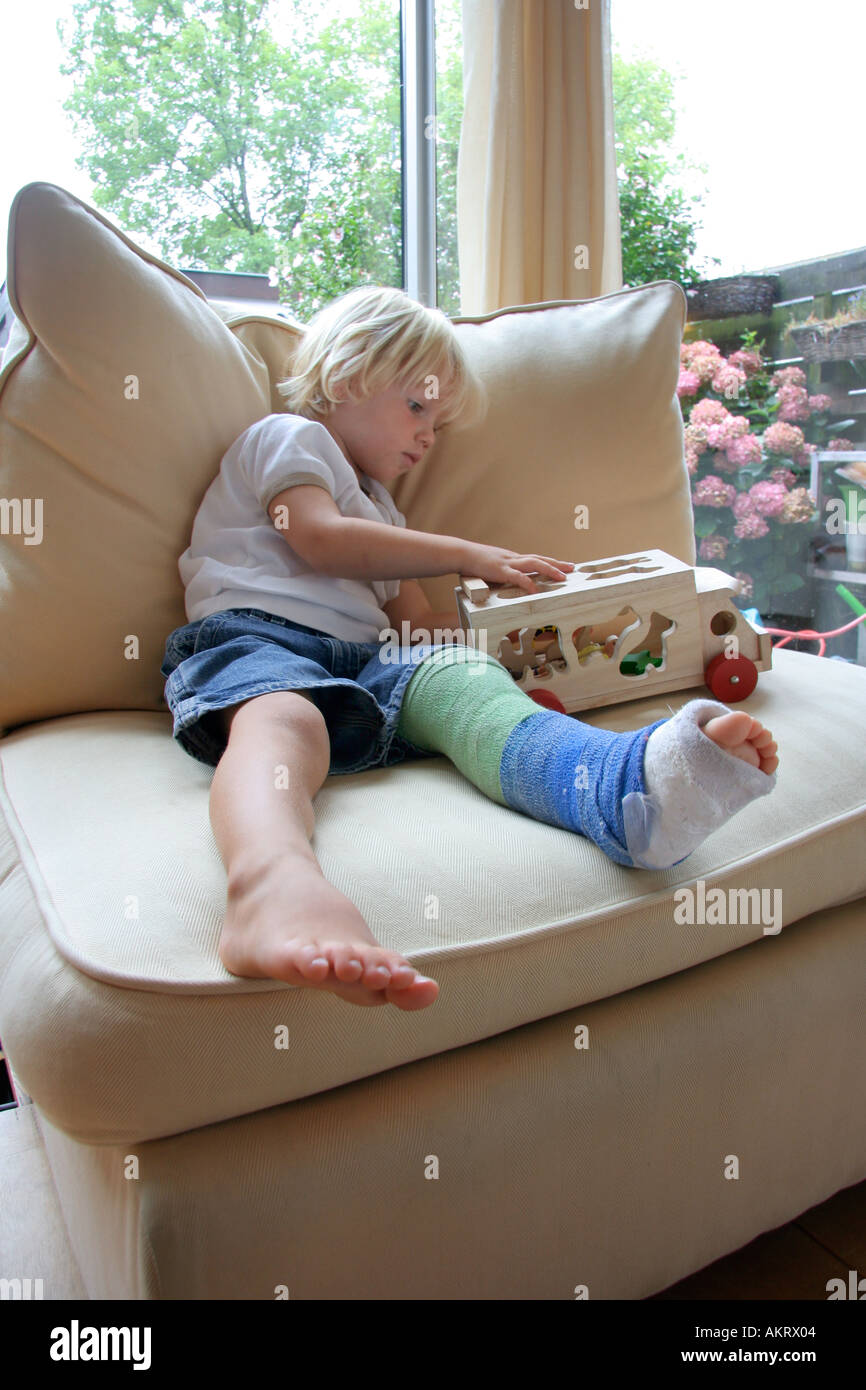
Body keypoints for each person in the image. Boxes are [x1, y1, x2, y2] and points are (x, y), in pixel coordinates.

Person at [161, 285, 779, 1012]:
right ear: (346, 376)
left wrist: (530, 631)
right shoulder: (288, 439)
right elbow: (319, 537)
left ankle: (616, 791)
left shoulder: (385, 512)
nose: (428, 438)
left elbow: (417, 628)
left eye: (439, 424)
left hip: (367, 662)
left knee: (464, 681)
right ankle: (269, 886)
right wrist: (465, 553)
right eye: (418, 406)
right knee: (284, 720)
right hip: (255, 636)